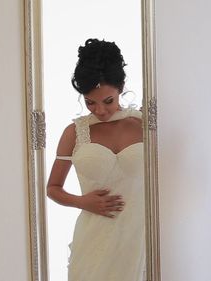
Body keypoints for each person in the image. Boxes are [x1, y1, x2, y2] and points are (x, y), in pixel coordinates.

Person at [46, 38, 145, 281]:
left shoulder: (144, 126)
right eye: (90, 102)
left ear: (121, 87)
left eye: (107, 101)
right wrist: (83, 202)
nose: (100, 110)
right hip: (95, 240)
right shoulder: (75, 132)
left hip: (139, 238)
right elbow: (53, 188)